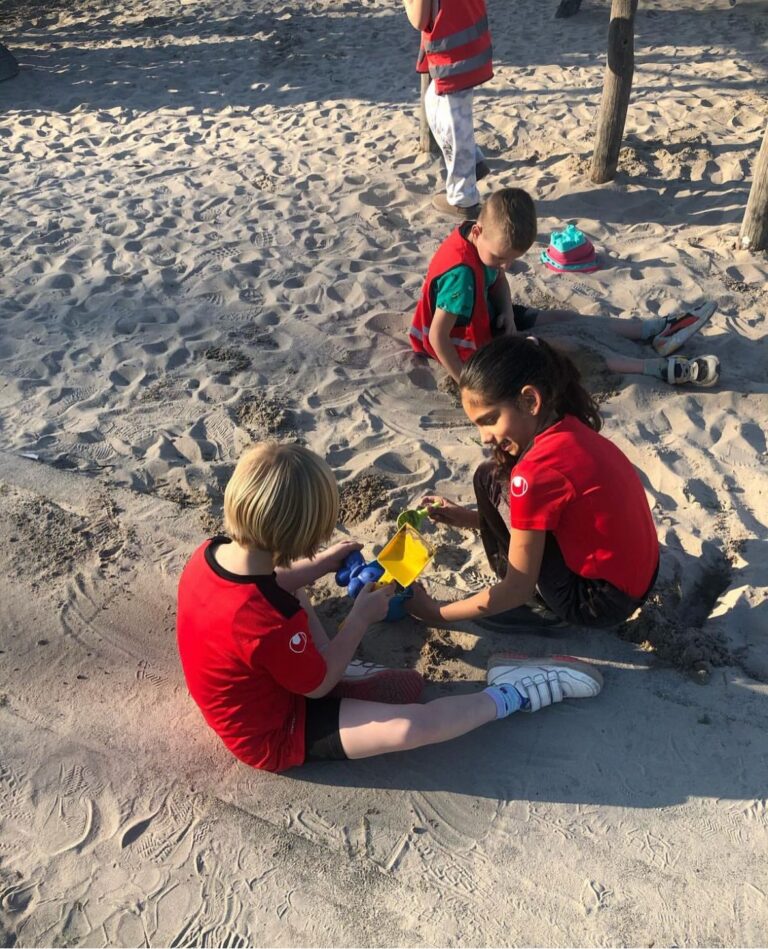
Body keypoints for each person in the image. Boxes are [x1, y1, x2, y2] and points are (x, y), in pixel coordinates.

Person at [176, 442, 604, 773]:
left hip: (265, 675)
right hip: (277, 730)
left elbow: (271, 584)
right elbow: (317, 686)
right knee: (410, 727)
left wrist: (321, 564)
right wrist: (359, 619)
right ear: (297, 536)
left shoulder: (210, 553)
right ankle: (512, 692)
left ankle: (337, 665)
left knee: (294, 591)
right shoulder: (269, 621)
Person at [407, 335, 661, 631]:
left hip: (595, 602)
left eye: (489, 420)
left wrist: (433, 612)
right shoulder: (570, 425)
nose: (484, 437)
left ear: (530, 401)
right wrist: (468, 518)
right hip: (640, 579)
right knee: (489, 475)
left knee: (492, 479)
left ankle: (543, 609)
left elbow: (518, 587)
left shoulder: (534, 473)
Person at [409, 188, 720, 387]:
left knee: (563, 318)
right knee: (564, 348)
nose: (505, 265)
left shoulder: (482, 244)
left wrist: (508, 314)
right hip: (469, 344)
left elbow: (497, 279)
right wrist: (467, 384)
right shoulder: (461, 276)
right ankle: (655, 368)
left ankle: (653, 330)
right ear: (478, 232)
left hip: (490, 316)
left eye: (511, 259)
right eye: (501, 258)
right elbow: (437, 337)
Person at [404, 0, 493, 218]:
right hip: (471, 41)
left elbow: (419, 19)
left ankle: (463, 199)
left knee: (453, 121)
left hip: (451, 54)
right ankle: (473, 162)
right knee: (434, 103)